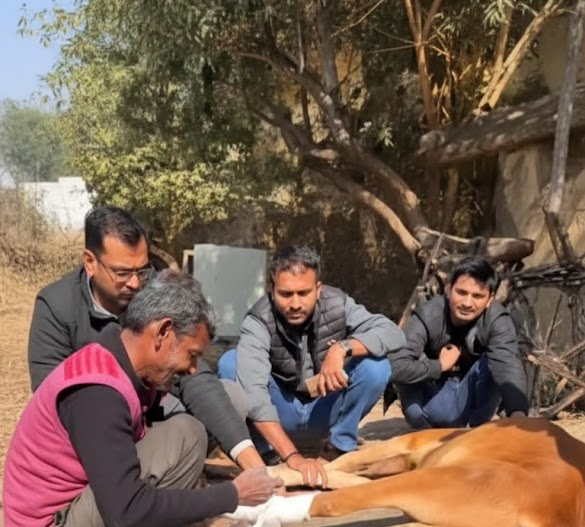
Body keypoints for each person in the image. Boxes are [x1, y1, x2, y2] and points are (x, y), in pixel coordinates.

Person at [4, 271, 280, 527]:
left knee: (185, 432)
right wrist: (232, 494)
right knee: (184, 436)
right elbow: (126, 509)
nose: (193, 368)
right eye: (192, 355)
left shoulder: (121, 361)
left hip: (68, 523)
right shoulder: (97, 393)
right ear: (163, 333)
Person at [27, 205, 265, 470]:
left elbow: (192, 374)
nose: (135, 284)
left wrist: (253, 464)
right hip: (98, 430)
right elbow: (52, 399)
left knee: (229, 397)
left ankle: (173, 466)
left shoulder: (152, 290)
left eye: (142, 270)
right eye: (122, 272)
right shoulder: (57, 306)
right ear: (90, 262)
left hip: (152, 416)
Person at [218, 244, 405, 486]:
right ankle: (265, 453)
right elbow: (254, 396)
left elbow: (393, 334)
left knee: (376, 365)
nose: (295, 304)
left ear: (318, 289)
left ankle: (338, 446)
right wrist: (294, 458)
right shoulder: (257, 320)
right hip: (279, 412)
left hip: (323, 407)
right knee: (230, 363)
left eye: (303, 293)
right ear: (272, 290)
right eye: (285, 294)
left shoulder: (339, 304)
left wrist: (342, 348)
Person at [391, 256, 529, 429]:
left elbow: (507, 366)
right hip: (433, 396)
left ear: (490, 299)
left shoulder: (497, 320)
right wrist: (440, 365)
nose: (467, 303)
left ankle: (478, 431)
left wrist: (518, 414)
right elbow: (396, 367)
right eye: (461, 292)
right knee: (412, 374)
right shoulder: (428, 314)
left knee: (496, 361)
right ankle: (424, 426)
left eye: (478, 296)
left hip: (467, 395)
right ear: (448, 290)